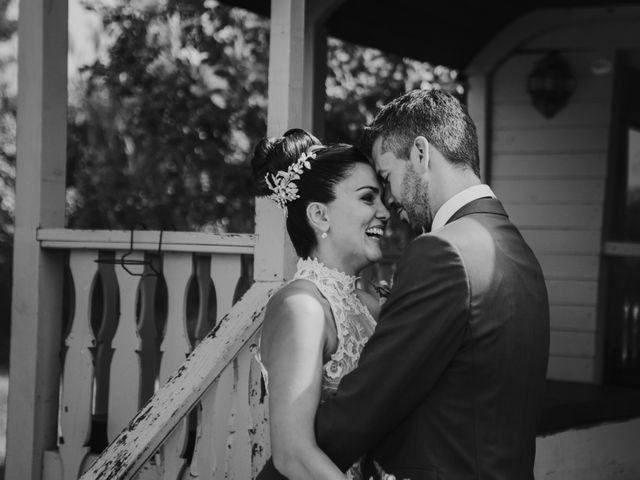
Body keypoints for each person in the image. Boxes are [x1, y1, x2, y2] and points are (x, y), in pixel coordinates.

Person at [259, 90, 550, 480]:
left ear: (420, 154)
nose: (389, 205)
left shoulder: (443, 254)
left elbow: (368, 405)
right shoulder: (517, 251)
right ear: (318, 215)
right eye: (369, 196)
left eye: (386, 180)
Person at [252, 128, 390, 479]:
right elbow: (293, 455)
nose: (385, 212)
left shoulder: (370, 301)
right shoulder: (301, 307)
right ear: (320, 216)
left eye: (382, 199)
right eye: (367, 198)